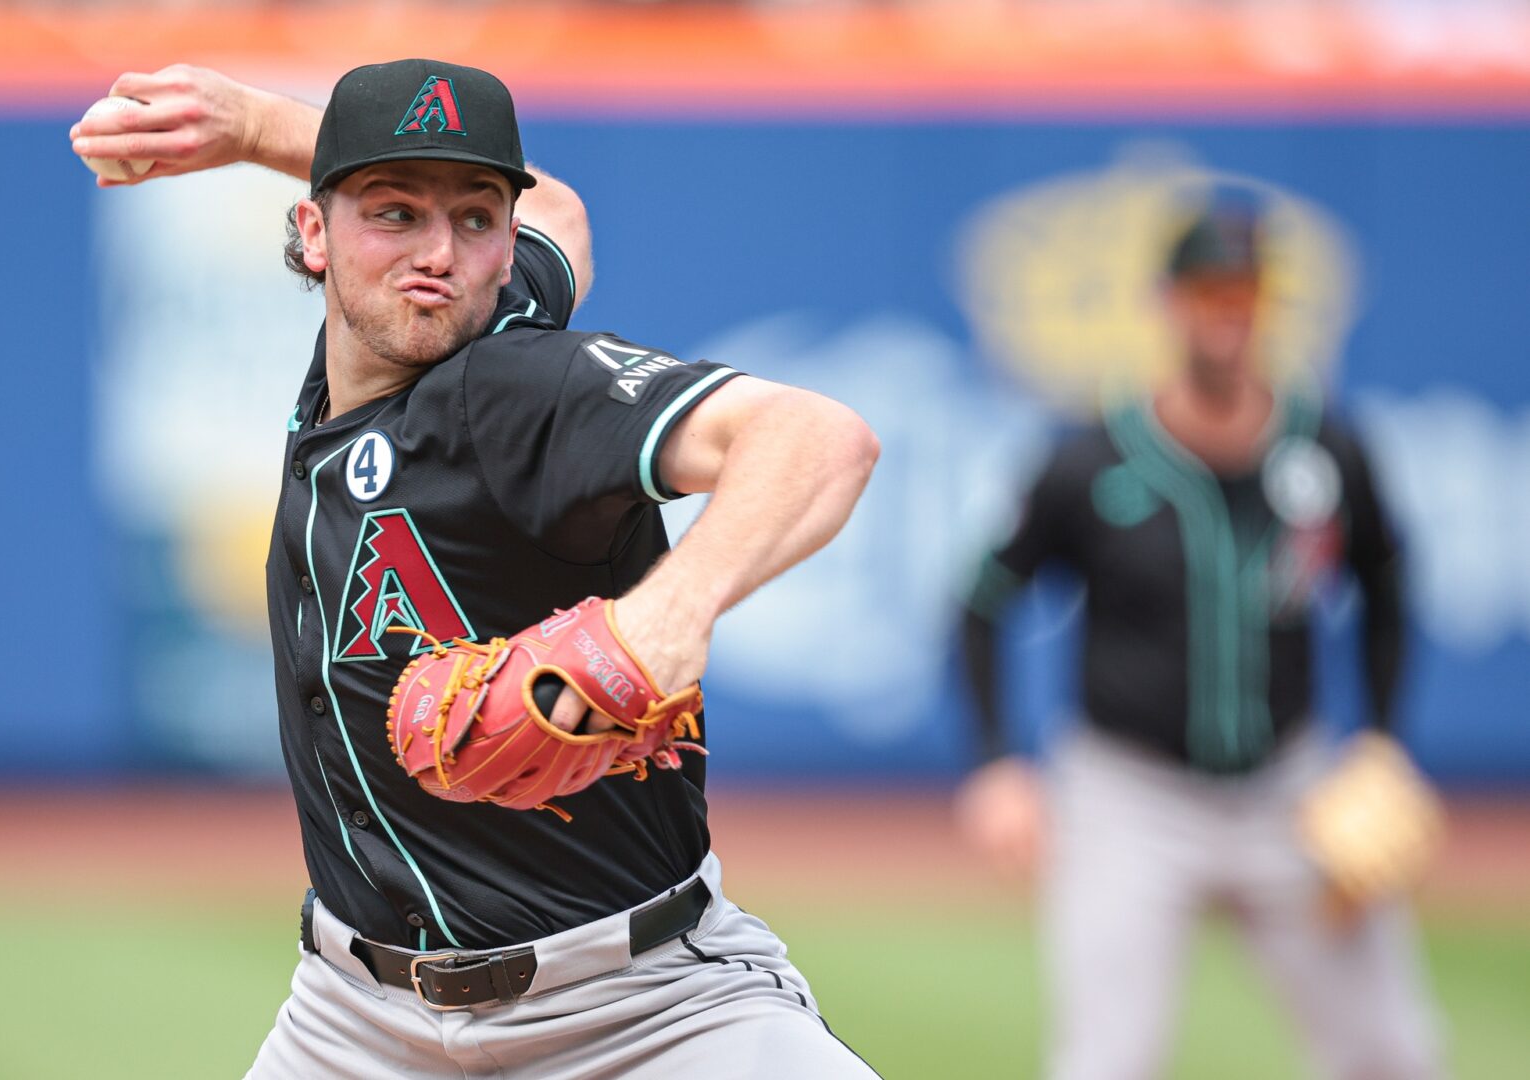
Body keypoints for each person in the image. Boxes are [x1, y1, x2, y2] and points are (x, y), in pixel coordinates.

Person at [73, 61, 881, 1078]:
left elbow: (818, 437)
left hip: (641, 1014)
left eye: (475, 219)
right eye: (394, 213)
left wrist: (668, 615)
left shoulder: (514, 386)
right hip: (354, 1023)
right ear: (311, 236)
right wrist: (252, 124)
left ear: (505, 248)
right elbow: (570, 214)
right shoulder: (365, 370)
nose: (437, 255)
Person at [954, 194, 1447, 1080]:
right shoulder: (1090, 460)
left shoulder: (1328, 450)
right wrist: (997, 762)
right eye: (1210, 289)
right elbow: (984, 600)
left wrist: (1381, 741)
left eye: (1246, 290)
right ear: (1167, 301)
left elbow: (1386, 579)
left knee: (1393, 1055)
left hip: (1290, 792)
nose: (1229, 310)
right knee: (1105, 1063)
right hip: (1129, 799)